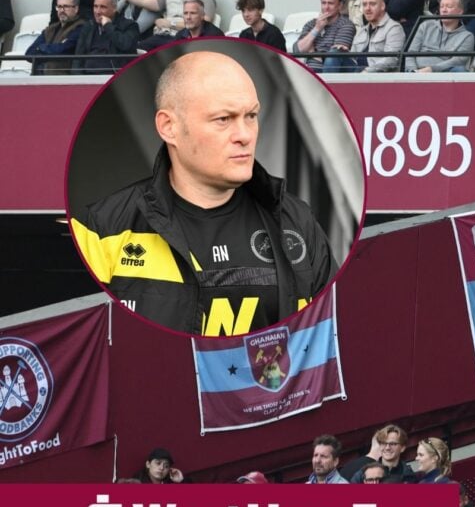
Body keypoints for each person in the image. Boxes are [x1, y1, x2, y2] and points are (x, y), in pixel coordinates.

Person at [71, 50, 337, 336]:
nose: (245, 135)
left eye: (251, 116)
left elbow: (333, 334)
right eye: (223, 119)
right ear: (169, 127)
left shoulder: (297, 221)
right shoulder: (101, 228)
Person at [128, 0, 217, 51]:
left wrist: (170, 24)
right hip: (160, 36)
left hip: (180, 39)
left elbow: (204, 23)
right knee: (133, 50)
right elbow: (141, 1)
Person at [404, 0, 474, 72]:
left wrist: (431, 69)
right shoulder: (425, 26)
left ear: (460, 11)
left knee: (460, 70)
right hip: (417, 70)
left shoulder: (467, 36)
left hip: (444, 73)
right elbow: (410, 53)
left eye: (449, 6)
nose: (444, 10)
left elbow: (458, 61)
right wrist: (413, 71)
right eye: (441, 6)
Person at [295, 0, 359, 73]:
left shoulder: (346, 25)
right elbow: (298, 49)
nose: (326, 7)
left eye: (330, 3)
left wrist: (312, 52)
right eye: (323, 3)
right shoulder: (311, 24)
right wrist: (316, 29)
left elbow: (334, 56)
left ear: (340, 6)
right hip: (309, 74)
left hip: (333, 74)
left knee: (334, 54)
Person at [28, 0, 88, 75]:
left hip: (63, 80)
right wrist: (51, 50)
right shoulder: (50, 29)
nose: (62, 10)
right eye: (59, 7)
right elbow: (29, 53)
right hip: (39, 79)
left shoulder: (81, 27)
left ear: (76, 8)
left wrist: (41, 48)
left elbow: (63, 49)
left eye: (66, 6)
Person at [349, 0, 405, 72]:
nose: (367, 8)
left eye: (372, 4)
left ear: (382, 6)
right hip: (354, 74)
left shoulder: (394, 28)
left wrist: (367, 71)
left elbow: (391, 60)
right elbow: (352, 58)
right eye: (364, 5)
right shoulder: (361, 31)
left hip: (377, 78)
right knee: (336, 54)